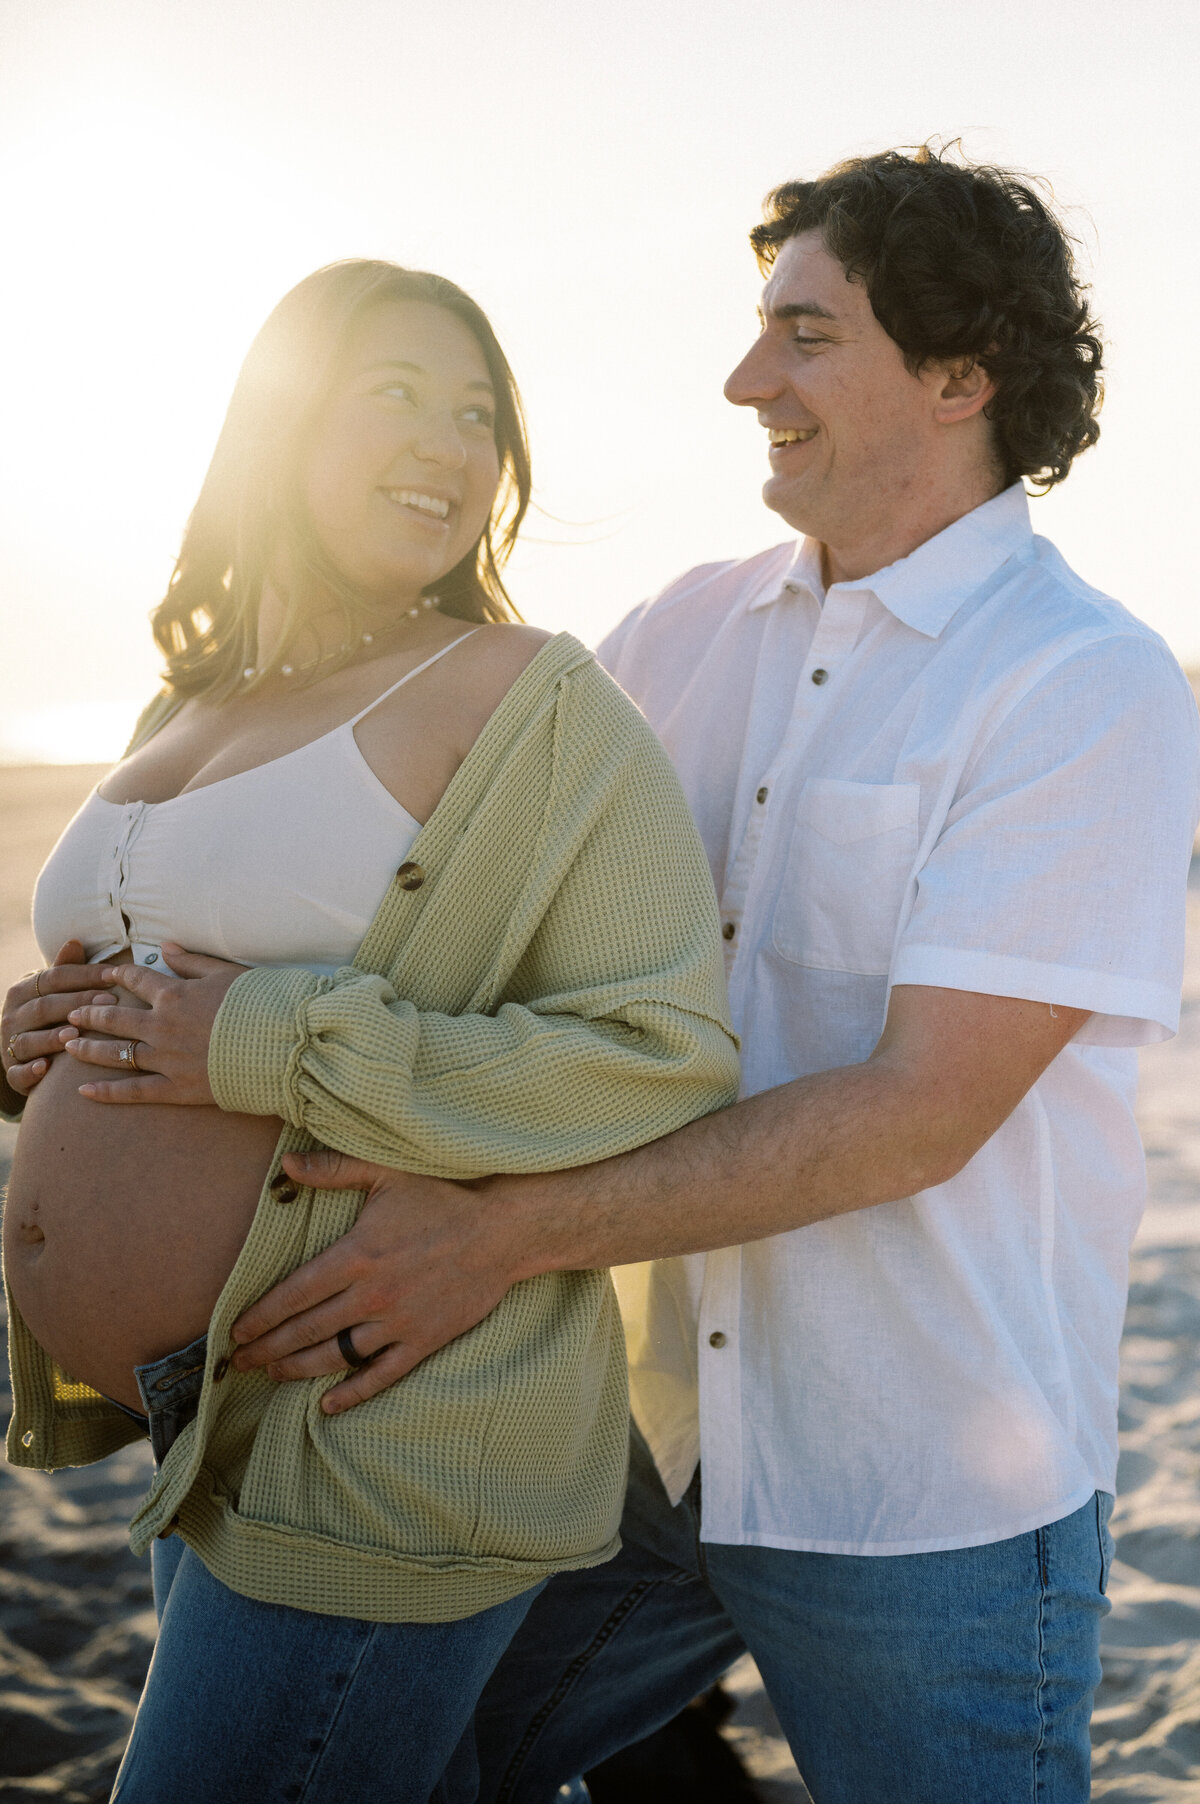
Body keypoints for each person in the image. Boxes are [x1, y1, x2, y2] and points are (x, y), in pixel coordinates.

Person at [221, 149, 1200, 1802]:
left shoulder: (1083, 684)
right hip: (619, 1447)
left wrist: (497, 1235)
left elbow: (915, 1116)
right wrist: (140, 968)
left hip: (922, 1488)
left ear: (962, 377)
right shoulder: (676, 631)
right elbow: (445, 908)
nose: (748, 379)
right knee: (394, 1765)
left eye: (806, 337)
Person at [0, 258, 740, 1803]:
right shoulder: (186, 703)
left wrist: (261, 1043)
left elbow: (658, 1052)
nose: (450, 443)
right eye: (393, 393)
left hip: (380, 1419)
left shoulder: (531, 699)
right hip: (202, 1426)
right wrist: (40, 1051)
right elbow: (150, 997)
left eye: (476, 414)